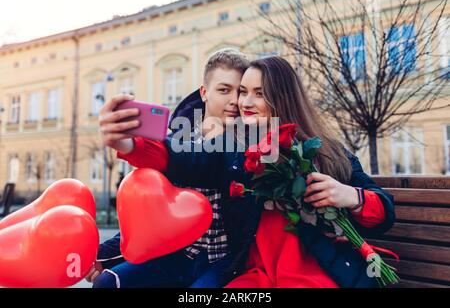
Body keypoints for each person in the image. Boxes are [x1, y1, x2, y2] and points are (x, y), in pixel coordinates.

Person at [116, 56, 395, 288]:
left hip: (315, 272)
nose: (245, 103)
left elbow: (383, 211)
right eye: (243, 92)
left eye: (258, 93)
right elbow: (187, 158)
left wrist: (350, 196)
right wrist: (129, 142)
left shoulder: (327, 150)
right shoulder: (237, 147)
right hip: (257, 276)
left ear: (282, 97)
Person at [87, 49, 250, 288]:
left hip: (224, 261)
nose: (235, 100)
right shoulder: (177, 139)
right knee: (107, 283)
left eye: (241, 92)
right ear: (204, 92)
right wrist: (102, 255)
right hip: (176, 255)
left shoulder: (251, 144)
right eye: (224, 90)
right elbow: (149, 217)